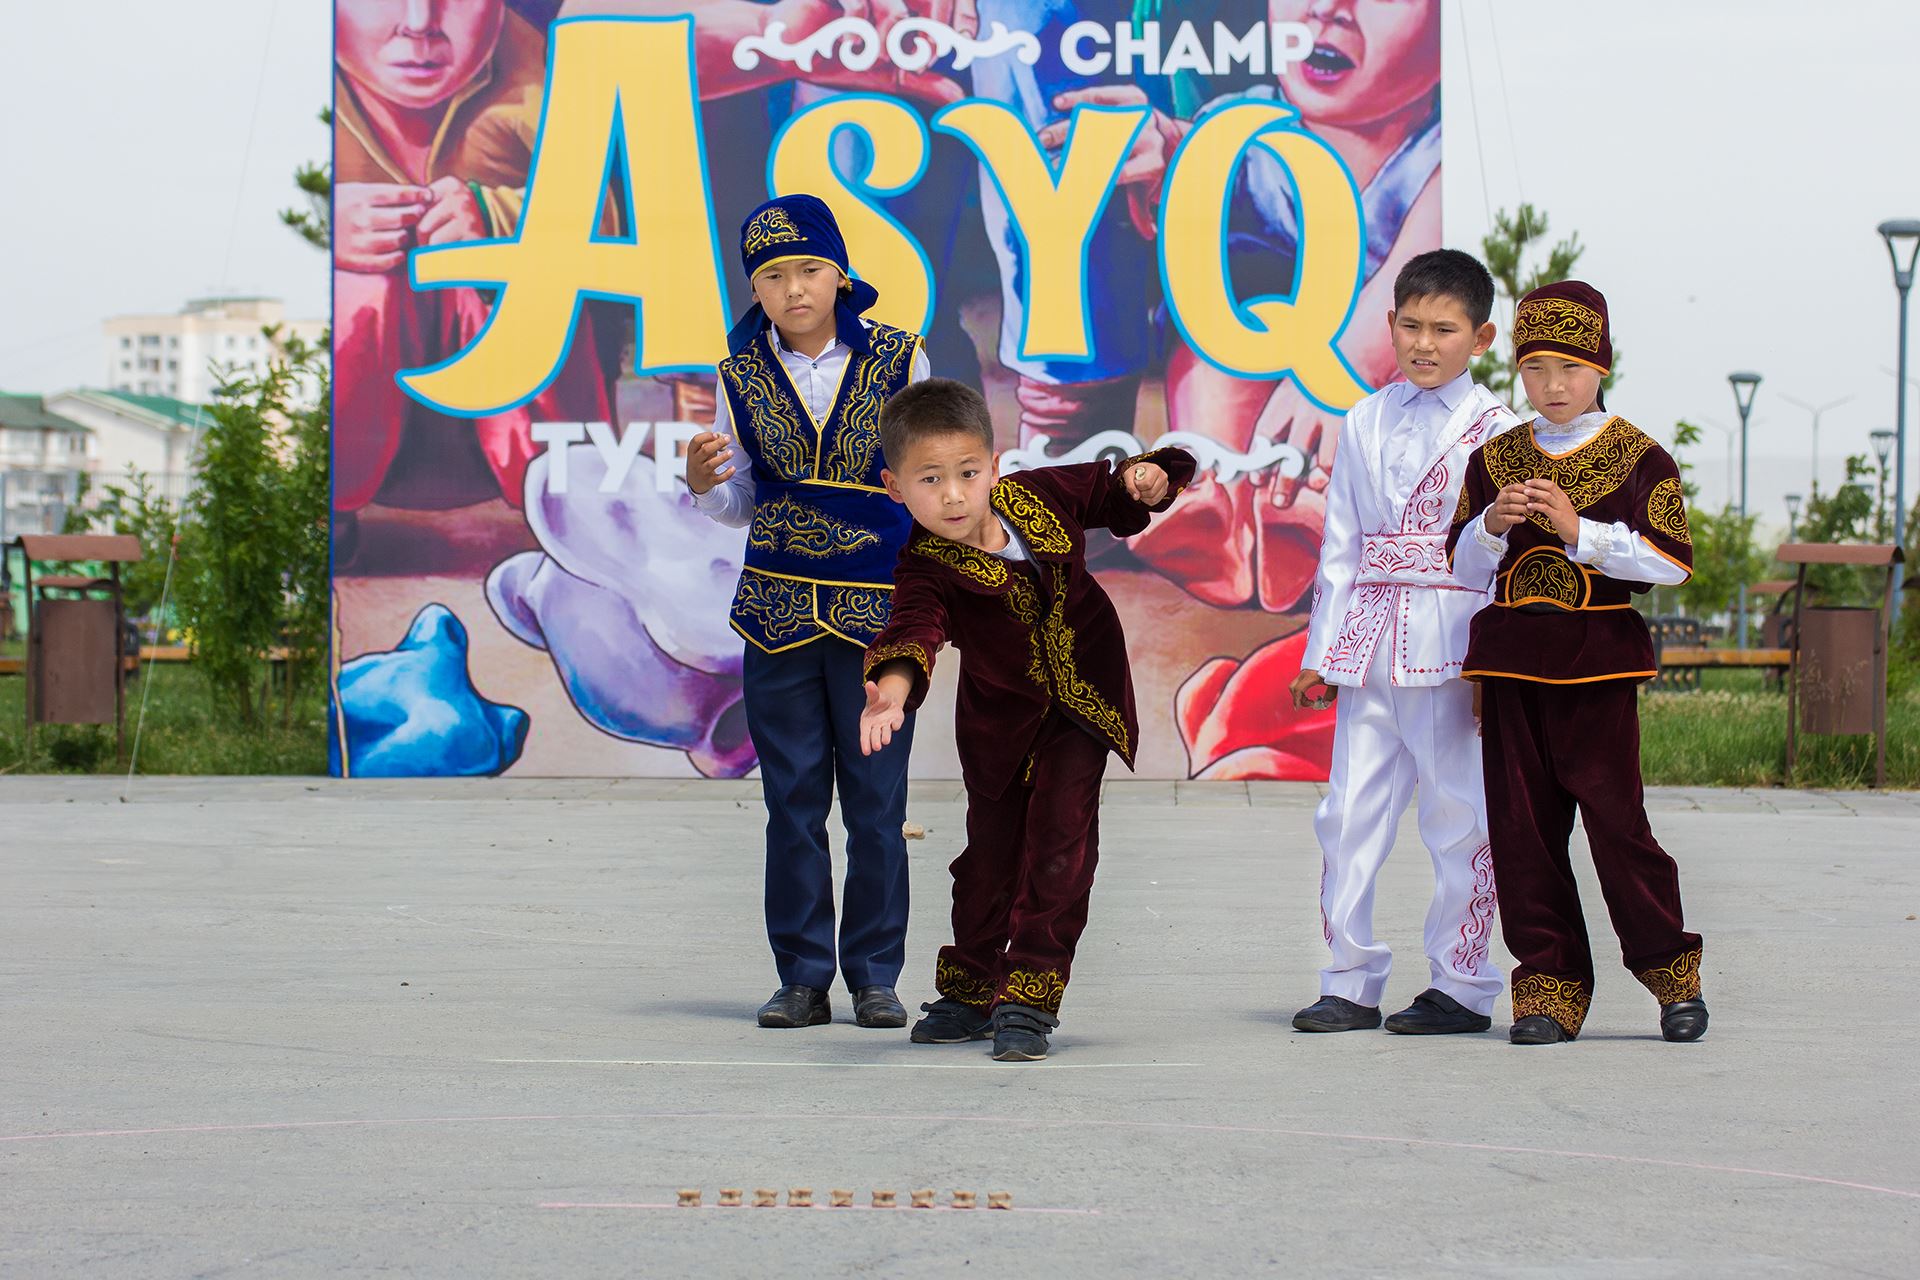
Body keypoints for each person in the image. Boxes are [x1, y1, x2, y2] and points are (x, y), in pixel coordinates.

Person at [857, 378, 1194, 1060]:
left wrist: (1148, 479)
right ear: (896, 489)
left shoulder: (1038, 494)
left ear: (994, 466)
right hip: (998, 731)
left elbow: (1112, 489)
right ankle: (970, 988)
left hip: (1084, 707)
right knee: (986, 863)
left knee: (1061, 849)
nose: (953, 495)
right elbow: (915, 627)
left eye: (967, 474)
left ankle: (1030, 998)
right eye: (930, 480)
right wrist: (892, 690)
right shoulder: (924, 565)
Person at [687, 194, 931, 1030]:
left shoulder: (902, 358)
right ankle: (800, 977)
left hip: (877, 617)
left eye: (809, 270)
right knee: (791, 801)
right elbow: (739, 502)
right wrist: (700, 482)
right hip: (777, 612)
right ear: (755, 288)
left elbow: (932, 482)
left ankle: (874, 975)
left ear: (839, 275)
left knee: (876, 803)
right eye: (773, 276)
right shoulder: (738, 375)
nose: (794, 289)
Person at [1445, 281, 1708, 1046]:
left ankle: (1671, 977)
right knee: (1522, 832)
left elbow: (1671, 562)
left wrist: (1578, 530)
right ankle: (1550, 990)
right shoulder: (1494, 460)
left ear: (1600, 367)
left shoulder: (1640, 457)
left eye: (1569, 367)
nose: (1553, 386)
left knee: (1618, 827)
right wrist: (1491, 524)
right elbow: (1462, 565)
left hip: (1596, 666)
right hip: (1511, 667)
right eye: (1535, 369)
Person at [1284, 249, 1519, 1035]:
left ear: (1481, 336)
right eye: (1411, 325)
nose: (1425, 343)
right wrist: (1322, 653)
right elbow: (1342, 543)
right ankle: (1346, 979)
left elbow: (1510, 565)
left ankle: (1462, 983)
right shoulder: (1363, 419)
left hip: (1455, 650)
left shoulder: (1503, 431)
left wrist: (1495, 663)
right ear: (1390, 324)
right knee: (1347, 813)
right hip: (1368, 644)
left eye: (1444, 329)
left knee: (1460, 816)